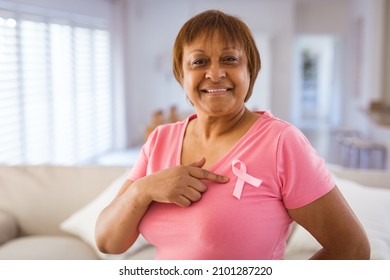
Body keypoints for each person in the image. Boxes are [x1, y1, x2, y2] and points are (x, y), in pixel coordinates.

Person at [95, 10, 370, 260]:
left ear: (250, 70)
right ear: (181, 74)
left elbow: (352, 249)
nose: (215, 74)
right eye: (199, 61)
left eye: (230, 59)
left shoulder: (281, 142)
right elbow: (108, 242)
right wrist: (142, 191)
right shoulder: (160, 140)